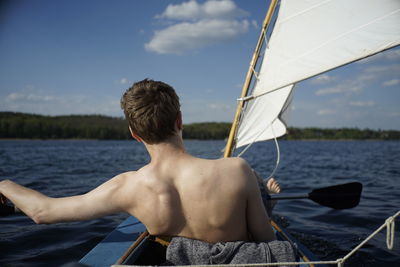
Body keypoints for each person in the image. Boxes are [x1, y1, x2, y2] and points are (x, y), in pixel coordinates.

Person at [0, 79, 295, 265]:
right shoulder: (237, 170)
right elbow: (267, 243)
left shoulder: (128, 187)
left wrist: (5, 183)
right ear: (179, 120)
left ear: (134, 134)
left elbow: (43, 211)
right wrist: (267, 198)